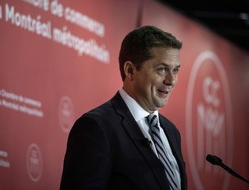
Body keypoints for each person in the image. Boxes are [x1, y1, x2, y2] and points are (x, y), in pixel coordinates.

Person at [60, 25, 187, 190]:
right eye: (161, 69)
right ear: (130, 70)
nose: (171, 80)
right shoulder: (97, 128)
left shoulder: (171, 131)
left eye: (175, 70)